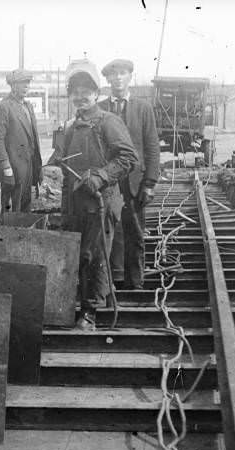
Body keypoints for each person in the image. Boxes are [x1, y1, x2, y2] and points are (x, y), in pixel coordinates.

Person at [47, 61, 137, 330]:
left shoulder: (108, 122)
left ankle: (90, 314)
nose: (80, 96)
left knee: (94, 254)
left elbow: (128, 158)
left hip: (101, 201)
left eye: (86, 91)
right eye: (75, 91)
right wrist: (50, 168)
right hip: (75, 203)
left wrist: (100, 176)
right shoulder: (72, 127)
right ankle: (91, 300)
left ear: (97, 94)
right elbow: (62, 160)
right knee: (78, 254)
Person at [99, 58, 160, 290]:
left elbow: (152, 147)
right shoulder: (101, 108)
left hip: (134, 182)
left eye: (122, 73)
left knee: (135, 232)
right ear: (107, 80)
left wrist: (150, 183)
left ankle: (135, 283)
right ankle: (111, 281)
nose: (117, 78)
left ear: (130, 76)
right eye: (113, 75)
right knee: (109, 232)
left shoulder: (142, 108)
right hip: (108, 182)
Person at [0, 69, 42, 215]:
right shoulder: (3, 107)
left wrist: (38, 166)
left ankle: (23, 234)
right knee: (11, 211)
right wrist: (6, 167)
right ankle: (8, 235)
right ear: (12, 86)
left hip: (28, 166)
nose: (26, 86)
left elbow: (34, 138)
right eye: (22, 83)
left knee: (25, 206)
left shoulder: (28, 106)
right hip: (12, 168)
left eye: (28, 83)